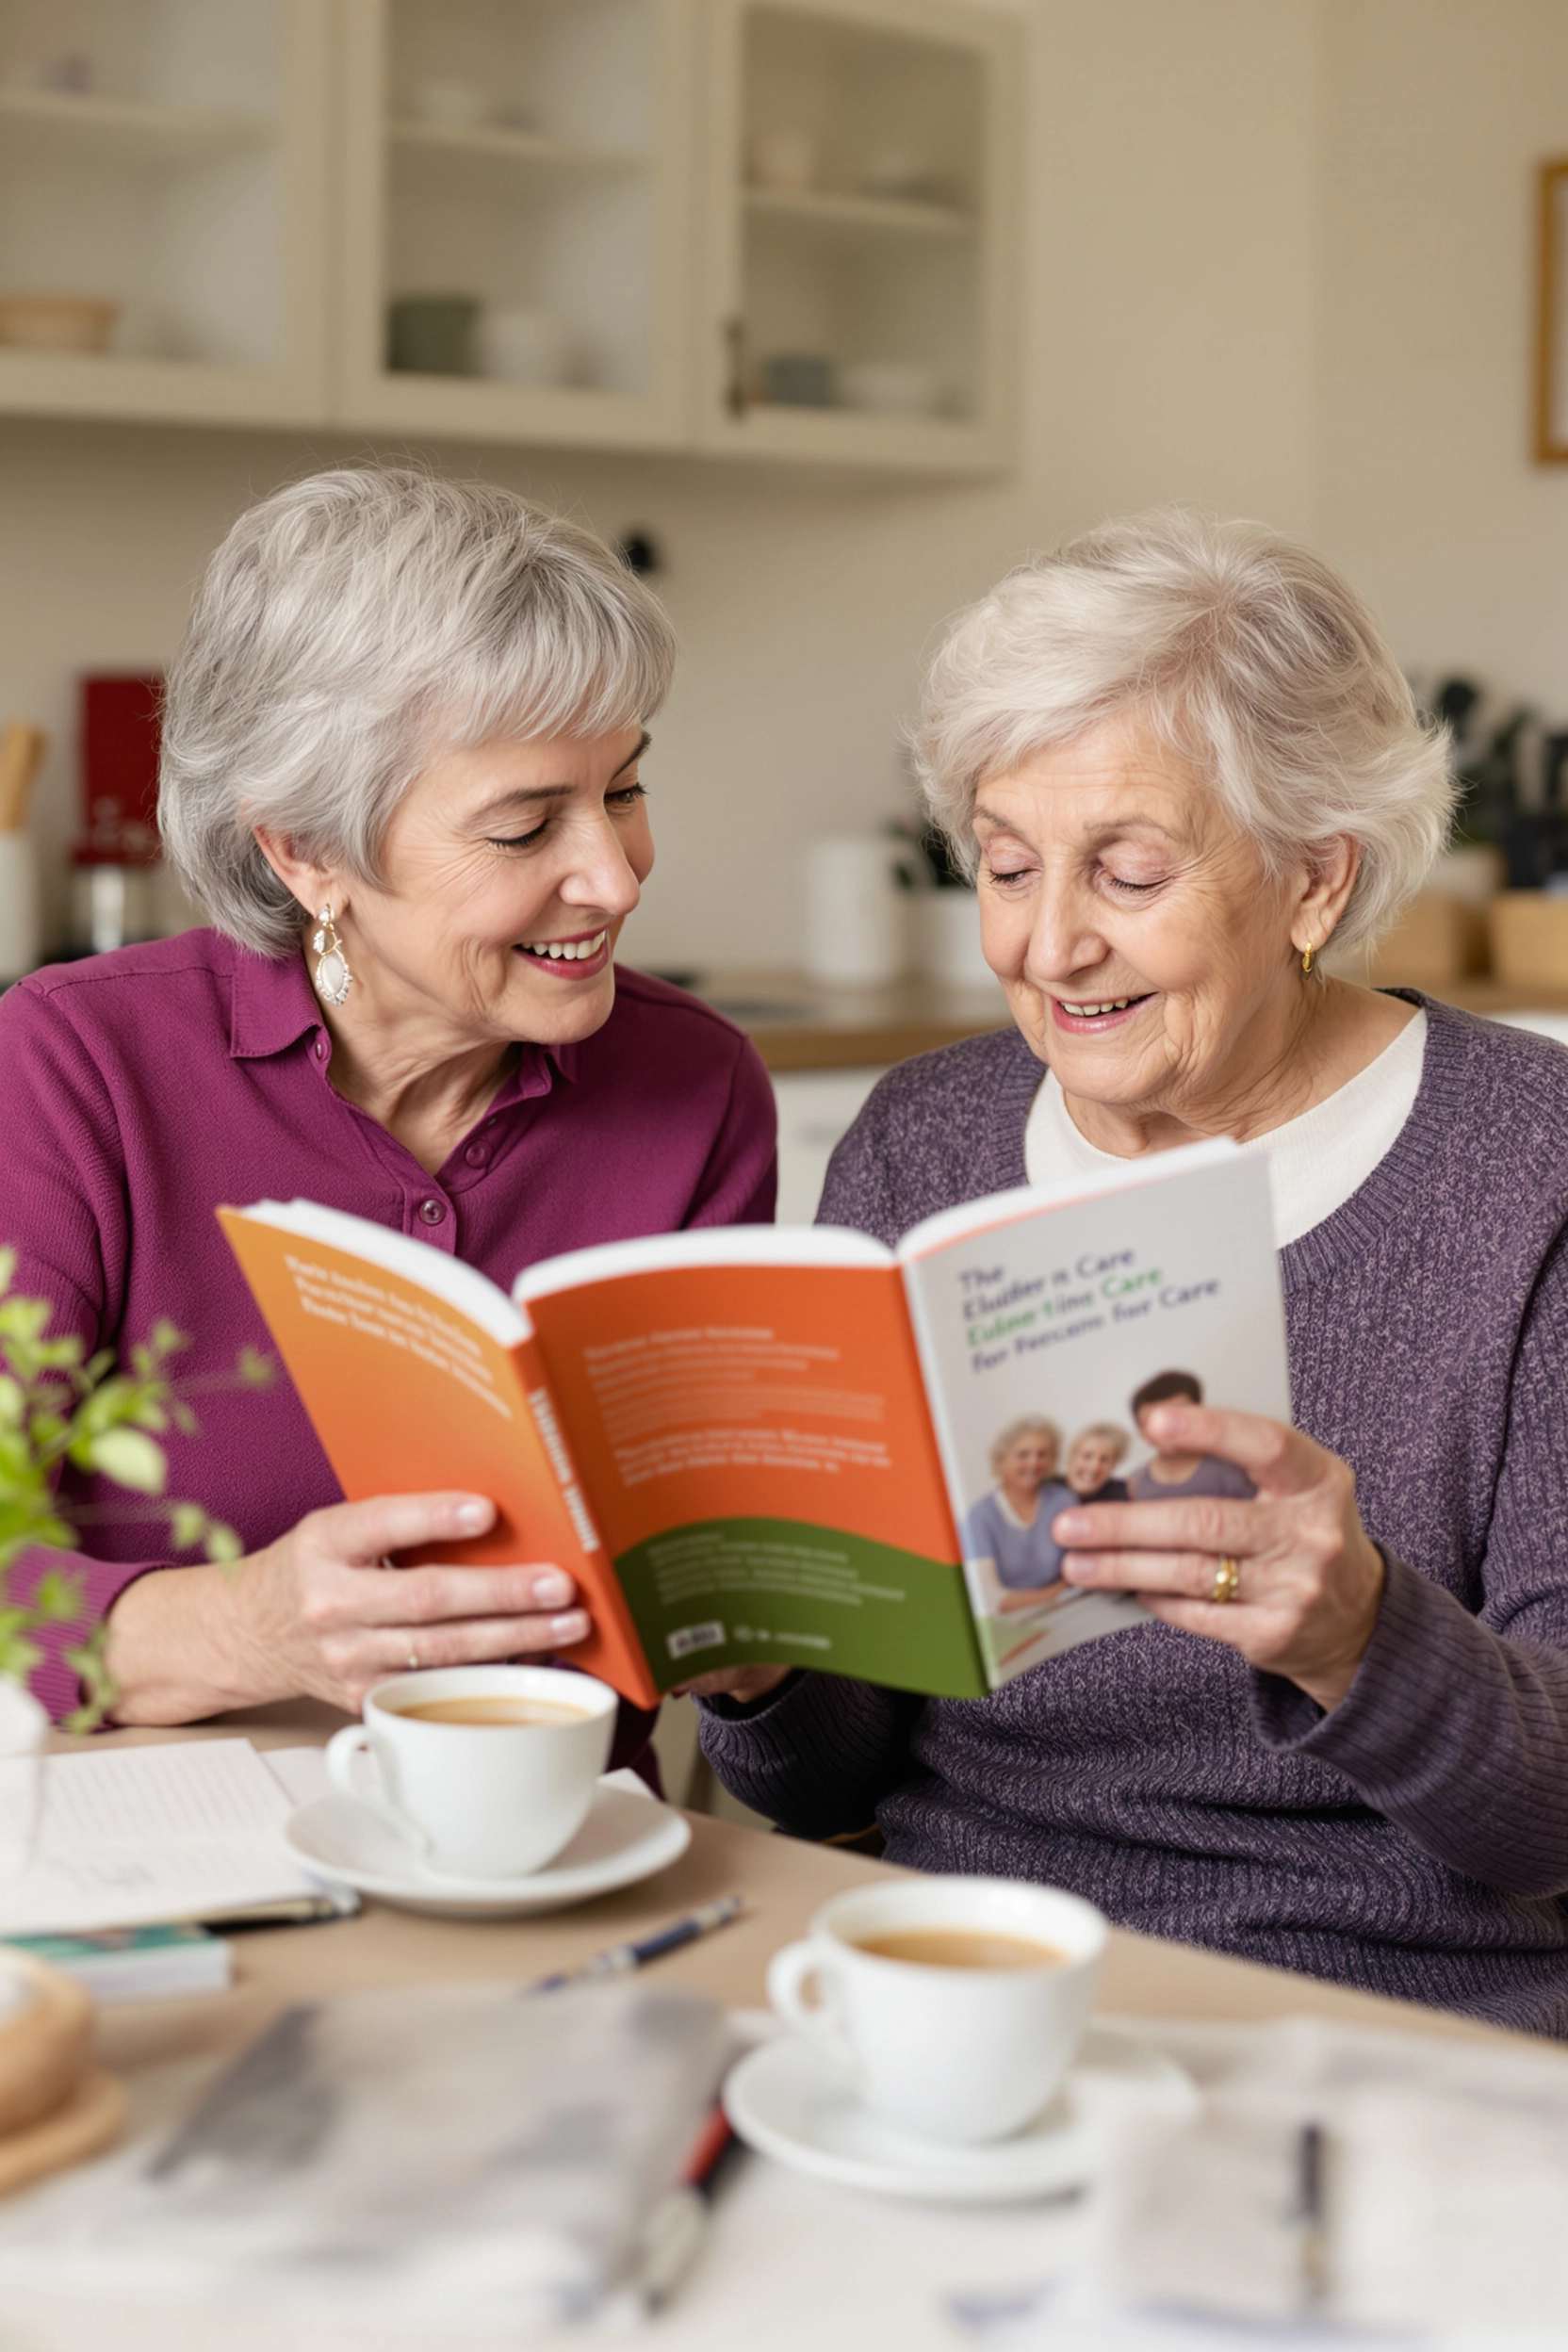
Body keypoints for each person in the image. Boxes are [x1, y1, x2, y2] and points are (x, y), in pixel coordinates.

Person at [692, 509, 1568, 2034]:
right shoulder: (922, 1142)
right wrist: (757, 1666)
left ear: (1310, 881)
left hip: (1385, 2012)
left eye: (1125, 871)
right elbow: (824, 1779)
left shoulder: (1529, 1168)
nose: (1045, 946)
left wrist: (1361, 1631)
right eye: (1006, 864)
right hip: (961, 1976)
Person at [3, 467, 776, 1740]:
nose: (616, 877)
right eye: (529, 828)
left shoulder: (698, 1089)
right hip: (167, 1861)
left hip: (555, 1870)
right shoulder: (78, 1065)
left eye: (624, 792)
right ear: (304, 852)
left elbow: (723, 1632)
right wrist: (246, 1627)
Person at [960, 1418, 1063, 1590]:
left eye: (1042, 1454)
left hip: (1071, 1607)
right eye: (1023, 1455)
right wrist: (1052, 1595)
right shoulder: (979, 1517)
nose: (1033, 1463)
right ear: (1001, 1461)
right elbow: (987, 1594)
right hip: (1010, 1615)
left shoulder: (1062, 1500)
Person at [1124, 1373, 1250, 1503]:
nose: (1168, 1430)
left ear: (1201, 1414)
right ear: (1141, 1432)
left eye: (1177, 1418)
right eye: (1153, 1423)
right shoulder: (1134, 1484)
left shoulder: (1233, 1472)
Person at [1060, 1421, 1131, 1507]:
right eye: (1087, 1456)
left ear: (1113, 1466)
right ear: (1071, 1456)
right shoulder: (1047, 1489)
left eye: (1105, 1460)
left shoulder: (1123, 1494)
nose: (1094, 1467)